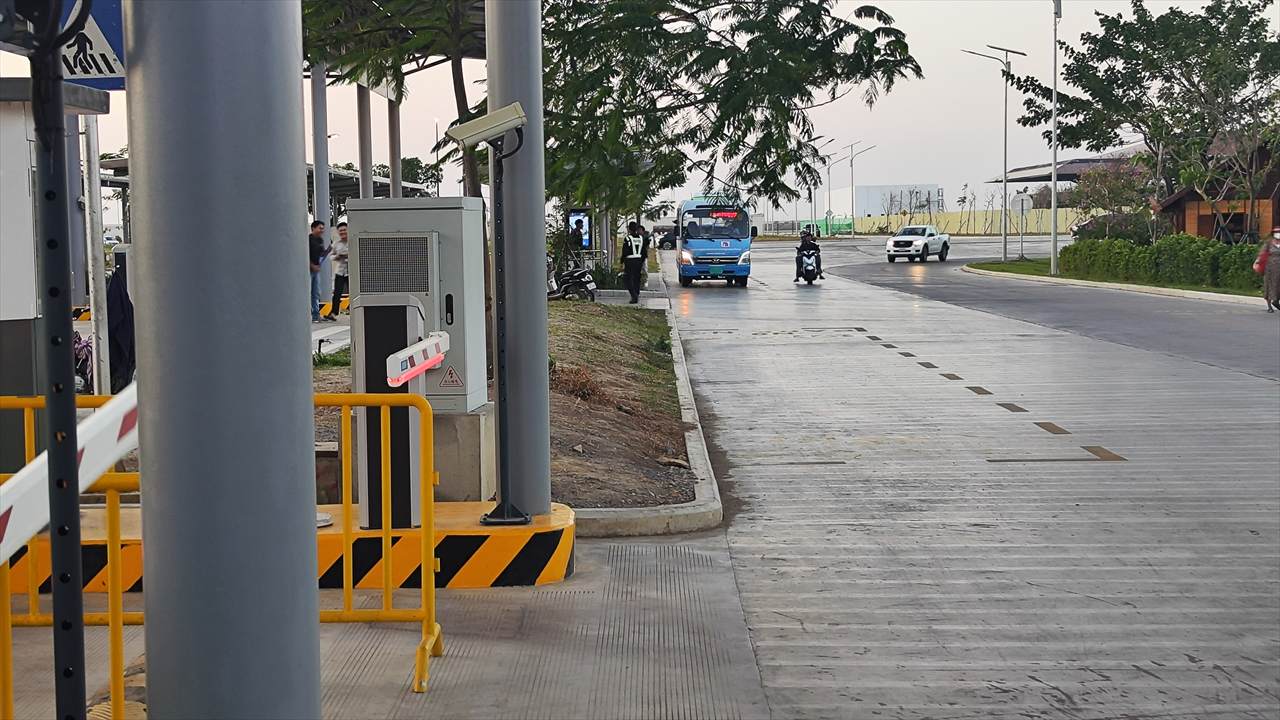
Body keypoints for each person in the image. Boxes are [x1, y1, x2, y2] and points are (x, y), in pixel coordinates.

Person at [325, 222, 349, 320]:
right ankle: (333, 313)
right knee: (337, 293)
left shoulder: (352, 241)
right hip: (340, 271)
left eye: (344, 230)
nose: (342, 232)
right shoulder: (336, 243)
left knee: (354, 293)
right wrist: (337, 257)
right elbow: (330, 256)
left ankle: (355, 311)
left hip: (351, 272)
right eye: (340, 231)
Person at [622, 221, 651, 304]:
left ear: (629, 229)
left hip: (629, 261)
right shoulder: (641, 238)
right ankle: (636, 294)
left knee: (627, 279)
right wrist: (642, 261)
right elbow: (644, 251)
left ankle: (633, 295)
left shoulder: (627, 239)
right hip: (638, 261)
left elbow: (625, 251)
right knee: (637, 279)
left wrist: (622, 261)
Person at [308, 220, 329, 322]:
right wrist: (312, 265)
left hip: (316, 270)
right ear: (313, 228)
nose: (322, 230)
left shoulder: (320, 240)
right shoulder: (308, 239)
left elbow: (321, 254)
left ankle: (316, 315)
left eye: (323, 228)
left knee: (316, 293)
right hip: (308, 270)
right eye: (320, 228)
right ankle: (308, 314)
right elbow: (305, 255)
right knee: (308, 292)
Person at [1256, 226, 1280, 313]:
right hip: (1270, 267)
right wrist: (1258, 261)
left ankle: (1276, 301)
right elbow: (1262, 253)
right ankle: (1269, 306)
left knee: (1278, 285)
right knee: (1269, 285)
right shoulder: (1269, 243)